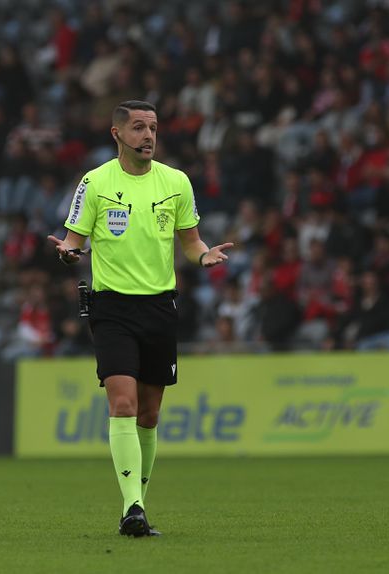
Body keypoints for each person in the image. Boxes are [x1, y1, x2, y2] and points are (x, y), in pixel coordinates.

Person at [47, 100, 233, 537]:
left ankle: (139, 505)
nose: (147, 135)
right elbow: (75, 239)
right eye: (137, 128)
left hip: (159, 307)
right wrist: (68, 252)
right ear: (117, 135)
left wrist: (204, 255)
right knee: (124, 405)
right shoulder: (94, 183)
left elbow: (190, 242)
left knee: (149, 415)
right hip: (111, 308)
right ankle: (132, 507)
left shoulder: (177, 182)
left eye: (152, 128)